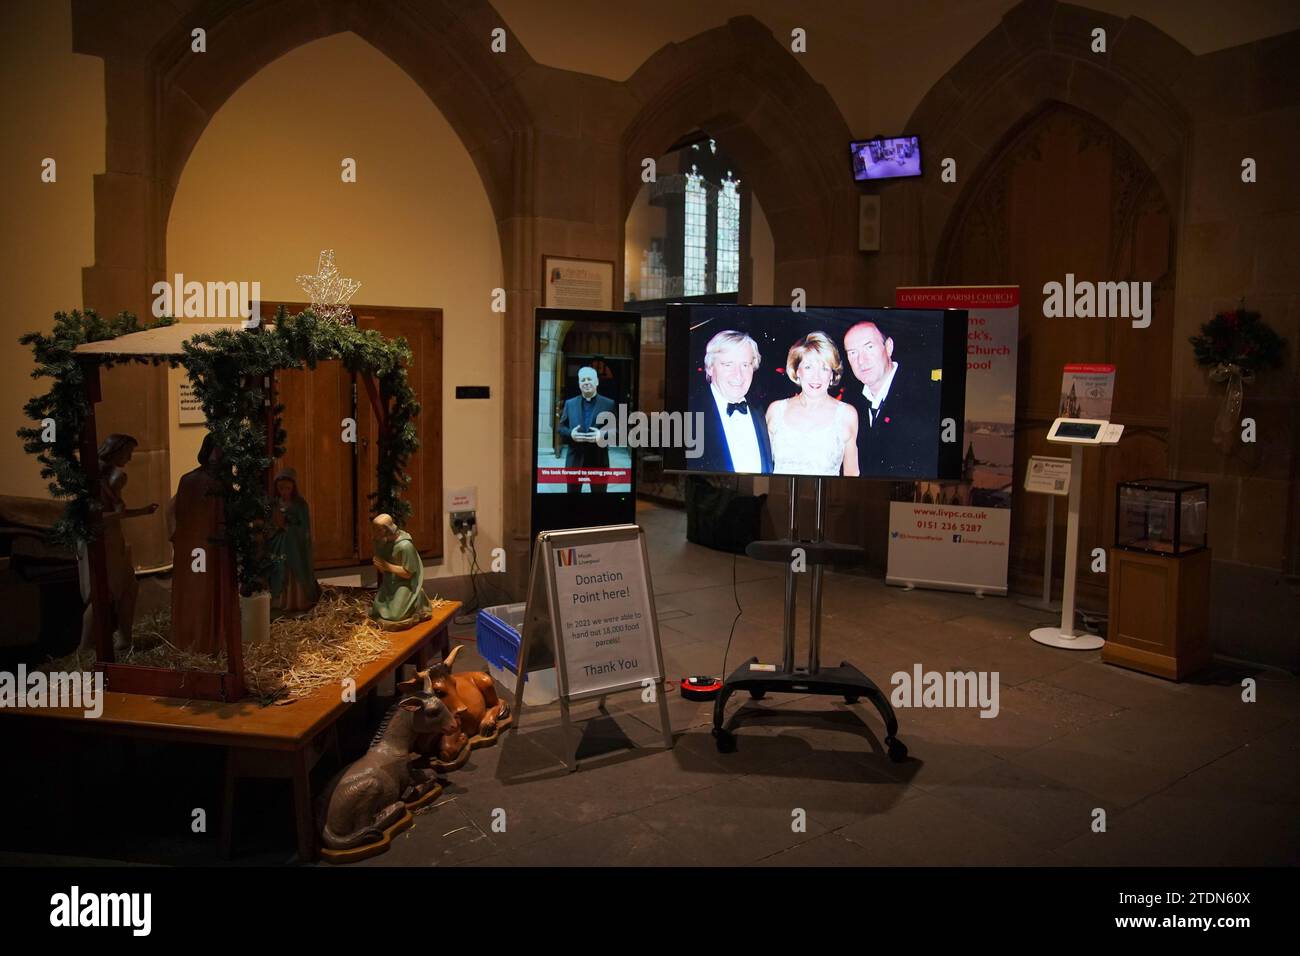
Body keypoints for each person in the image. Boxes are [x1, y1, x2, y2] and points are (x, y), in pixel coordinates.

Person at [76, 434, 158, 655]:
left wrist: (142, 511)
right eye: (128, 452)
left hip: (110, 538)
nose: (130, 457)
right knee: (101, 594)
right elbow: (93, 518)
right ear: (116, 450)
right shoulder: (113, 477)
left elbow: (113, 514)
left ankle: (123, 638)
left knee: (127, 588)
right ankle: (85, 647)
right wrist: (117, 515)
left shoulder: (103, 475)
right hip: (101, 540)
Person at [168, 435, 238, 656]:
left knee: (213, 589)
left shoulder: (223, 484)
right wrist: (175, 536)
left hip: (214, 548)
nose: (218, 456)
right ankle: (193, 639)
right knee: (196, 591)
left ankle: (213, 639)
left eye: (223, 452)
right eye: (216, 450)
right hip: (194, 547)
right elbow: (175, 509)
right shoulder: (190, 481)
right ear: (207, 451)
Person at [843, 320, 940, 477]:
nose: (861, 360)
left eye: (869, 347)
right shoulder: (849, 402)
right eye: (853, 353)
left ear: (888, 347)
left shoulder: (925, 397)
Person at [765, 332, 859, 477]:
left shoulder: (847, 414)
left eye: (824, 368)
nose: (816, 377)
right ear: (797, 371)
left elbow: (852, 474)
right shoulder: (776, 410)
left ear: (832, 375)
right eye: (808, 367)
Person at [694, 329, 773, 474]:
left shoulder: (760, 412)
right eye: (728, 364)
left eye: (745, 365)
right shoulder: (689, 417)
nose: (738, 375)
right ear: (710, 368)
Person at [555, 366, 616, 493]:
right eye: (583, 380)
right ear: (579, 383)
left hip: (598, 461)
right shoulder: (570, 403)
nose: (586, 382)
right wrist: (571, 433)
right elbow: (561, 427)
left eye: (589, 379)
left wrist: (602, 435)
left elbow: (618, 431)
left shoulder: (608, 404)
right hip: (575, 461)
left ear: (597, 381)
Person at [267, 467, 320, 613]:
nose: (284, 491)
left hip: (294, 546)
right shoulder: (274, 504)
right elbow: (269, 524)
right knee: (279, 570)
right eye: (281, 488)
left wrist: (289, 527)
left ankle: (297, 602)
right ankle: (279, 602)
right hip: (278, 544)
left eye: (287, 488)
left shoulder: (300, 505)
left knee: (295, 570)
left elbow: (304, 528)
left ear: (293, 488)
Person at [370, 513, 430, 625]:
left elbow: (409, 573)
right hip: (390, 581)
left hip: (405, 583)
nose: (374, 533)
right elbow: (383, 568)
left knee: (395, 616)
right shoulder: (385, 542)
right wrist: (380, 566)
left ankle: (418, 599)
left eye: (377, 530)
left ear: (386, 530)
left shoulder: (405, 546)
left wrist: (387, 566)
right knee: (377, 610)